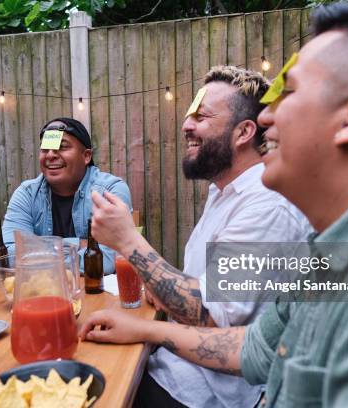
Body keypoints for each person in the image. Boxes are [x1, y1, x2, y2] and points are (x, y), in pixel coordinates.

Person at [81, 1, 348, 406]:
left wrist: (130, 246)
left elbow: (216, 314)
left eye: (287, 92)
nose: (265, 119)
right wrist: (147, 330)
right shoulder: (335, 241)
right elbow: (259, 350)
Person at [87, 66, 311, 407]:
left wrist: (128, 241)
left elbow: (210, 313)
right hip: (174, 364)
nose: (186, 125)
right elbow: (206, 290)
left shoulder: (266, 206)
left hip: (203, 394)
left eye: (202, 116)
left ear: (244, 132)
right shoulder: (224, 192)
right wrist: (165, 291)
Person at [2, 117, 132, 274]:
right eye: (45, 149)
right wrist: (79, 244)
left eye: (61, 147)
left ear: (86, 156)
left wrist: (37, 248)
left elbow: (108, 260)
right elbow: (10, 255)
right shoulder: (27, 194)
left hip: (98, 294)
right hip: (44, 293)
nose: (50, 155)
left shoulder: (110, 190)